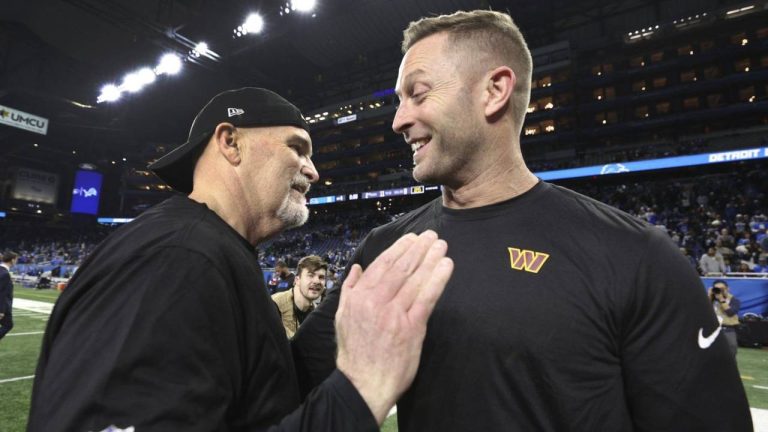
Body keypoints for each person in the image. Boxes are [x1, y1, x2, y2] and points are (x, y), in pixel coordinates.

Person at [293, 10, 752, 431]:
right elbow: (290, 377)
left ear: (494, 90)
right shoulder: (385, 248)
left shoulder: (635, 255)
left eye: (418, 93)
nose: (399, 121)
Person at [27, 87, 454, 431]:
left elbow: (262, 397)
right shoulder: (177, 259)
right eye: (298, 148)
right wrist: (362, 388)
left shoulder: (214, 249)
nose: (313, 171)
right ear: (230, 142)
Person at [272, 255, 327, 338]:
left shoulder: (317, 316)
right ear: (297, 280)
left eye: (321, 277)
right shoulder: (274, 304)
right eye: (311, 275)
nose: (317, 281)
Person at [709, 279, 742, 357]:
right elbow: (702, 310)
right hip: (712, 330)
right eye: (717, 289)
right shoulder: (711, 299)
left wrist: (721, 299)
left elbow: (730, 313)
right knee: (711, 354)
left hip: (728, 330)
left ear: (728, 289)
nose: (720, 291)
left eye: (722, 289)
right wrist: (709, 296)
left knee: (731, 353)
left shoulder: (734, 300)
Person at [0, 251, 19, 340]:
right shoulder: (5, 274)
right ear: (12, 260)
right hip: (3, 306)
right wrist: (1, 310)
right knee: (8, 325)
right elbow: (2, 293)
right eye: (16, 259)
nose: (16, 261)